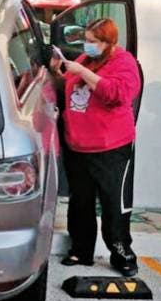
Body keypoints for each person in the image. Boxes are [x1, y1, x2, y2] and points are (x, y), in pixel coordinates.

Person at [49, 17, 142, 276]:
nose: (86, 46)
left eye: (92, 42)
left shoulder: (124, 63)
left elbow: (118, 94)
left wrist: (84, 74)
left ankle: (122, 253)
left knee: (113, 203)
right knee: (80, 202)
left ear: (108, 42)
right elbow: (67, 90)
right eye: (85, 40)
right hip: (77, 146)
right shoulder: (84, 61)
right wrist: (59, 73)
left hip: (110, 147)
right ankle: (81, 250)